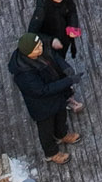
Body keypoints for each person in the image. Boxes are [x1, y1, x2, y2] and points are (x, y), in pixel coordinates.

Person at [7, 33, 80, 162]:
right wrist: (68, 81)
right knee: (46, 129)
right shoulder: (24, 74)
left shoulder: (39, 51)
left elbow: (55, 57)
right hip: (42, 107)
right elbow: (42, 90)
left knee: (61, 116)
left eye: (40, 45)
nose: (41, 49)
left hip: (57, 95)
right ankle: (51, 153)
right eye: (37, 48)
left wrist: (65, 67)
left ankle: (61, 135)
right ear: (28, 53)